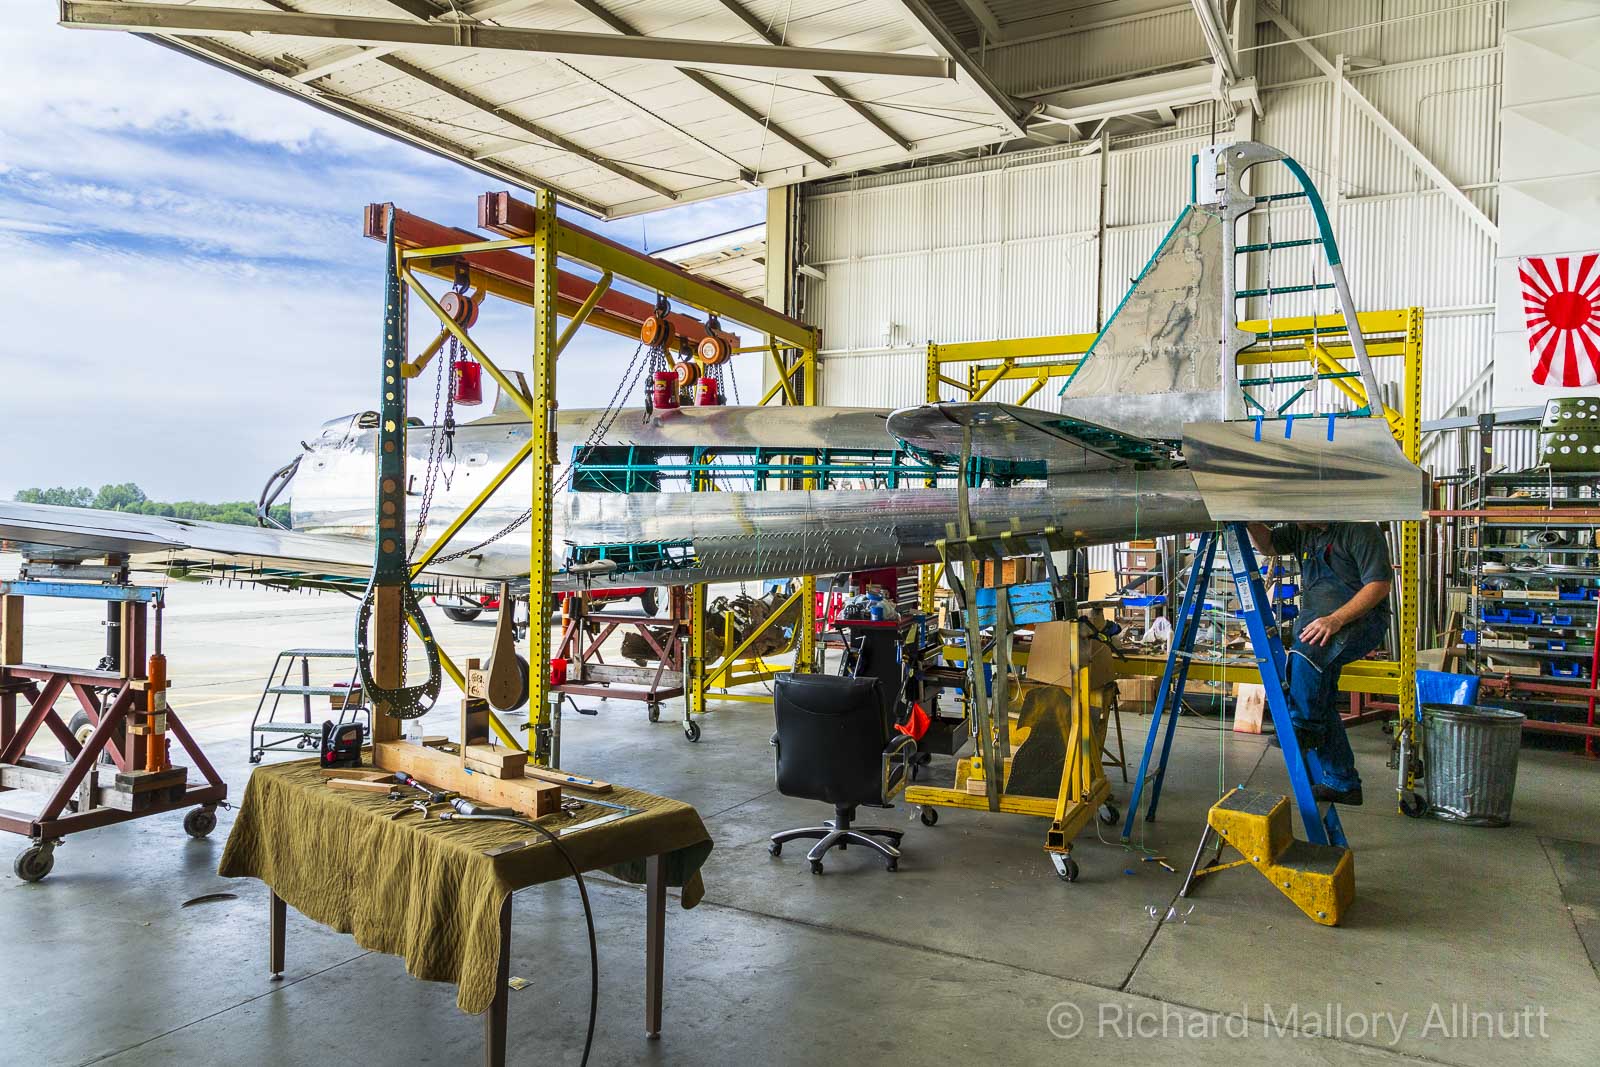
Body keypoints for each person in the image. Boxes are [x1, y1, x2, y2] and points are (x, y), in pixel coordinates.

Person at [1245, 521, 1394, 805]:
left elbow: (1379, 584)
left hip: (1360, 620)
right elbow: (1269, 544)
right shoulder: (1304, 527)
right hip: (1318, 619)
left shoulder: (1359, 529)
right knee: (1319, 695)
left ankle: (1306, 728)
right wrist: (1248, 519)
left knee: (1306, 658)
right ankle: (1342, 781)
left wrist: (1336, 619)